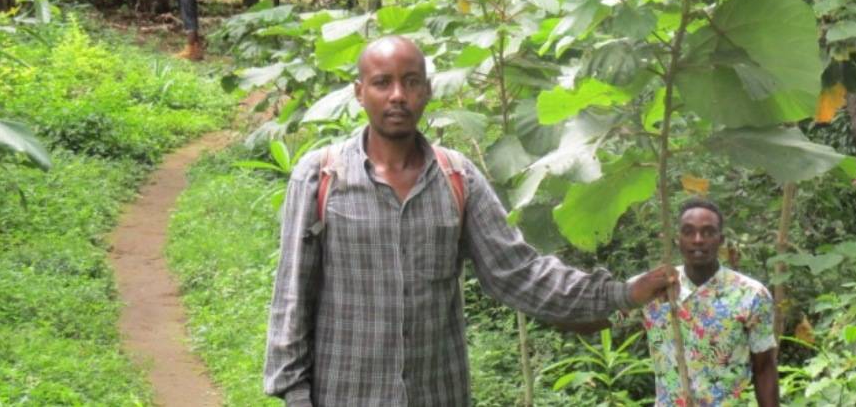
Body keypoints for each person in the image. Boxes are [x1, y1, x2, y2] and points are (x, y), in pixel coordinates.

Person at [263, 36, 677, 406]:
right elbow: (292, 295)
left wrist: (622, 293)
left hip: (439, 392)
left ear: (426, 91)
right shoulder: (321, 176)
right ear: (359, 92)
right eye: (381, 82)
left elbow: (518, 273)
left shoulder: (456, 178)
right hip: (345, 392)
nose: (397, 96)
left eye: (410, 82)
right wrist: (295, 394)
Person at [640, 197, 779, 407]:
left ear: (720, 239)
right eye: (688, 232)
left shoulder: (750, 294)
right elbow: (603, 316)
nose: (697, 240)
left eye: (708, 232)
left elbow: (764, 367)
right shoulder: (653, 289)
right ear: (677, 239)